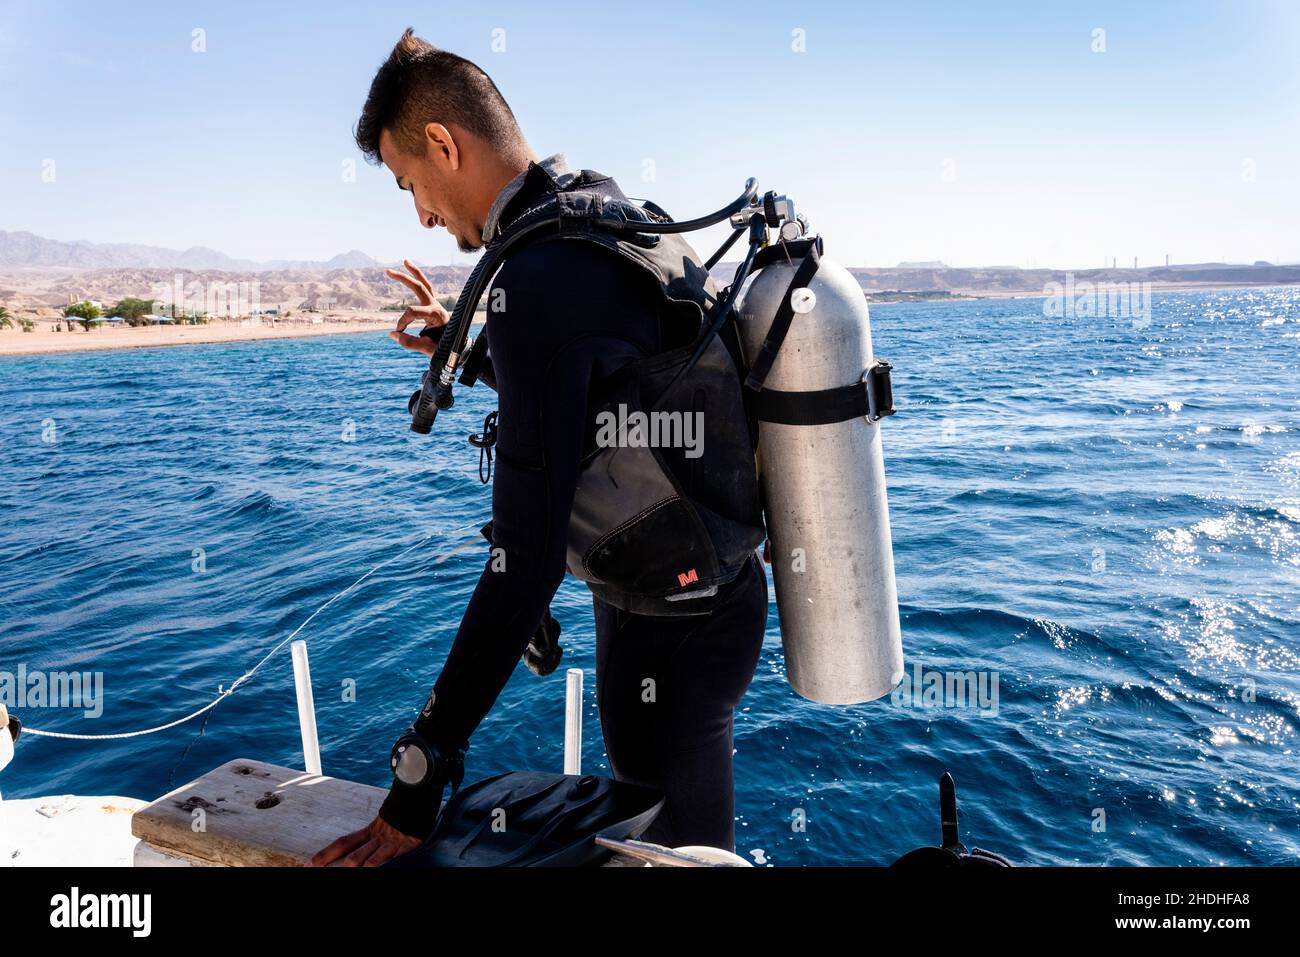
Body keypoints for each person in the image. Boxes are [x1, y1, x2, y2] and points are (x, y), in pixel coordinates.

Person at [309, 29, 768, 867]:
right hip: (700, 599)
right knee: (666, 842)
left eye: (412, 183)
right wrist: (476, 348)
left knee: (684, 858)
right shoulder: (594, 213)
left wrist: (426, 764)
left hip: (675, 625)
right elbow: (610, 384)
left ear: (445, 145)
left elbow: (522, 562)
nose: (419, 211)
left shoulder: (539, 275)